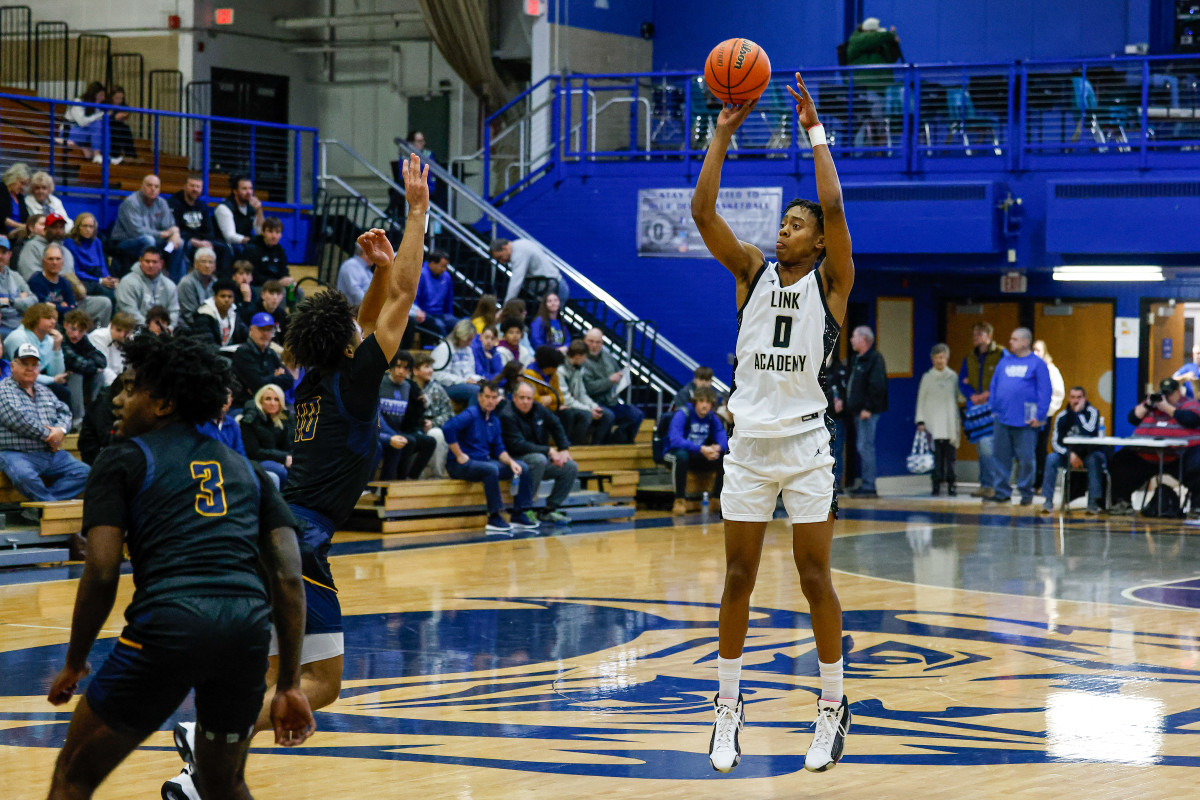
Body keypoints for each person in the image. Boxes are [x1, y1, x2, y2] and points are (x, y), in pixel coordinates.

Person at [172, 154, 424, 777]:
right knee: (322, 683)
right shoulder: (355, 383)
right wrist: (416, 212)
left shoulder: (313, 379)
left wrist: (380, 269)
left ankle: (202, 778)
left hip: (265, 526)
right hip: (300, 538)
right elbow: (400, 303)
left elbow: (366, 317)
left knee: (267, 675)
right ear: (347, 348)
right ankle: (205, 732)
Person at [43, 334, 313, 800]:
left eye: (131, 389)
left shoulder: (121, 459)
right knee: (222, 783)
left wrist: (74, 661)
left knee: (74, 774)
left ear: (164, 403)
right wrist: (288, 682)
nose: (120, 401)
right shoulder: (249, 469)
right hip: (246, 634)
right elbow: (288, 578)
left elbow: (103, 570)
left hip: (169, 625)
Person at [690, 73, 854, 773]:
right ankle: (728, 707)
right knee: (737, 578)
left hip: (807, 447)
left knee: (815, 577)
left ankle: (831, 705)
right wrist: (721, 135)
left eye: (796, 224)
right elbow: (702, 214)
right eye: (783, 223)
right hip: (750, 447)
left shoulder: (832, 282)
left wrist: (815, 131)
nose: (783, 230)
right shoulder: (751, 272)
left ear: (817, 243)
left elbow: (837, 204)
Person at [443, 381, 539, 534]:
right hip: (460, 464)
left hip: (483, 462)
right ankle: (494, 517)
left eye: (494, 397)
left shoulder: (494, 420)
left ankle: (519, 513)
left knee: (523, 468)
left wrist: (511, 462)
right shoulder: (471, 414)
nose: (490, 401)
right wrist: (459, 454)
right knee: (491, 469)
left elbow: (499, 449)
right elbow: (448, 428)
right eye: (487, 397)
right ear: (480, 397)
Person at [0, 341, 89, 502]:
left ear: (39, 368)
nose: (30, 368)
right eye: (25, 363)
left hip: (49, 453)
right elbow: (20, 421)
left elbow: (64, 411)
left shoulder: (45, 390)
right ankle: (50, 506)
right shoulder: (4, 390)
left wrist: (61, 430)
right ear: (13, 366)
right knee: (24, 476)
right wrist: (52, 435)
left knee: (85, 473)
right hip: (16, 453)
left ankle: (41, 507)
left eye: (34, 364)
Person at [1107, 378, 1200, 515]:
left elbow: (1191, 419)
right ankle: (1122, 502)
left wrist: (1167, 408)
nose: (1166, 397)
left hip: (1179, 454)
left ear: (1178, 392)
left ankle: (1197, 506)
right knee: (1121, 460)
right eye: (1164, 393)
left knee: (1198, 463)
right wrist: (1147, 404)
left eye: (1170, 394)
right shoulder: (1153, 404)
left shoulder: (1188, 403)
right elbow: (1132, 418)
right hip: (1148, 454)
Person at [986, 327, 1051, 506]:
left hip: (1026, 421)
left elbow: (1045, 391)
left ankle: (1026, 492)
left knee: (1027, 459)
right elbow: (995, 385)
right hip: (1002, 418)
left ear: (1025, 342)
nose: (1010, 342)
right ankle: (1001, 491)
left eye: (1014, 339)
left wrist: (1040, 415)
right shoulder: (1004, 362)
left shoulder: (1037, 364)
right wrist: (994, 407)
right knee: (1000, 456)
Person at [500, 380, 577, 525]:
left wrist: (564, 449)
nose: (525, 402)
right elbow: (518, 445)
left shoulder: (538, 409)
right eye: (522, 398)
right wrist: (548, 450)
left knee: (570, 467)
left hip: (538, 457)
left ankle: (549, 509)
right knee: (538, 459)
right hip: (514, 459)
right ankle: (524, 509)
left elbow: (556, 424)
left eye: (529, 398)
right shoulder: (507, 415)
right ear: (514, 398)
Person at [1041, 386, 1104, 514]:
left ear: (1084, 399)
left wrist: (1079, 414)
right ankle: (1047, 500)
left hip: (1088, 453)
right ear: (1069, 398)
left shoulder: (1092, 412)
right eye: (1073, 397)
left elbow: (1090, 433)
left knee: (1094, 459)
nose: (1076, 401)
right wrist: (1069, 455)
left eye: (1079, 397)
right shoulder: (1061, 416)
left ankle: (1093, 503)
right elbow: (1055, 442)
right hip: (1067, 455)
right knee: (1051, 458)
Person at [665, 385, 728, 516]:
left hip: (698, 453)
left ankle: (716, 499)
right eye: (702, 401)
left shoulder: (711, 417)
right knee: (681, 457)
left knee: (724, 457)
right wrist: (701, 449)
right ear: (695, 402)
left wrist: (717, 448)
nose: (705, 405)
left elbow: (723, 436)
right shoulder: (683, 414)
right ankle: (680, 499)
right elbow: (676, 440)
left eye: (708, 402)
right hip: (673, 452)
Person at [960, 321, 1005, 498]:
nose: (975, 338)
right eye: (974, 335)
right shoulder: (969, 357)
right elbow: (962, 380)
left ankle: (994, 484)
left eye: (979, 334)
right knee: (981, 447)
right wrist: (971, 394)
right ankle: (985, 484)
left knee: (988, 446)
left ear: (989, 336)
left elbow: (1005, 378)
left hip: (993, 408)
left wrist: (989, 393)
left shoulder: (1001, 354)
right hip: (976, 408)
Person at [110, 175, 185, 278]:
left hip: (156, 243)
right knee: (148, 240)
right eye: (149, 185)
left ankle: (173, 284)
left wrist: (175, 234)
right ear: (142, 186)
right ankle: (148, 278)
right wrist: (163, 234)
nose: (153, 189)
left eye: (156, 186)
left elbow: (170, 226)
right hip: (127, 244)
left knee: (178, 244)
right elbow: (135, 232)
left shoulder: (161, 203)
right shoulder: (131, 202)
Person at [377, 351, 436, 481]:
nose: (401, 371)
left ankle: (410, 478)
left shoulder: (408, 387)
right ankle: (393, 482)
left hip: (399, 430)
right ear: (391, 367)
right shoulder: (380, 383)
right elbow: (375, 413)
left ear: (410, 371)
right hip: (380, 431)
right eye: (398, 366)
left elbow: (413, 414)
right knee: (407, 442)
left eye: (405, 368)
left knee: (429, 441)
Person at [916, 343, 965, 496]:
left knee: (951, 457)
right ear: (932, 359)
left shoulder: (953, 377)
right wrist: (920, 420)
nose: (939, 361)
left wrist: (967, 387)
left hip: (949, 422)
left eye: (942, 357)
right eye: (937, 358)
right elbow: (921, 399)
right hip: (933, 423)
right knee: (936, 457)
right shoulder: (927, 377)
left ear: (947, 358)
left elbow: (960, 397)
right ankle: (935, 484)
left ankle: (952, 484)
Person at [581, 327, 644, 444]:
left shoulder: (608, 356)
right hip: (593, 402)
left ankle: (618, 443)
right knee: (608, 415)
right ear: (584, 341)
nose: (594, 345)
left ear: (602, 343)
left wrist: (622, 378)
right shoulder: (581, 359)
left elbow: (617, 373)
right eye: (591, 341)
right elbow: (589, 387)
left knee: (636, 414)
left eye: (598, 342)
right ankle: (600, 446)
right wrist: (609, 381)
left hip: (612, 401)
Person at [844, 325, 887, 497]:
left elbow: (878, 385)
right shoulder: (856, 359)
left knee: (865, 447)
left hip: (866, 413)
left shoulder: (875, 359)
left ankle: (869, 485)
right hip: (855, 412)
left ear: (863, 339)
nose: (851, 340)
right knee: (861, 446)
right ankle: (865, 483)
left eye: (854, 336)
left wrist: (868, 408)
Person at [3, 303, 69, 408]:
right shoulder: (18, 337)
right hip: (15, 381)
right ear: (34, 318)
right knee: (61, 392)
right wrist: (52, 380)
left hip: (35, 378)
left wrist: (57, 347)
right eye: (48, 318)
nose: (53, 321)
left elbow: (56, 373)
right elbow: (21, 372)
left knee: (64, 387)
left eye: (54, 318)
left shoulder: (50, 340)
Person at [523, 345, 591, 446]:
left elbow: (560, 398)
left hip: (551, 408)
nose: (556, 369)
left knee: (571, 414)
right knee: (551, 416)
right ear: (547, 366)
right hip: (535, 410)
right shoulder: (530, 374)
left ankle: (569, 445)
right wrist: (552, 399)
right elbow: (535, 400)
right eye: (554, 367)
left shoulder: (553, 375)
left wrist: (550, 398)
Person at [169, 174, 231, 275]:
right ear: (185, 186)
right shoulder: (174, 203)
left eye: (198, 187)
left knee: (224, 248)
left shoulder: (202, 205)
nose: (195, 189)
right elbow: (174, 228)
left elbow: (209, 230)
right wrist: (195, 241)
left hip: (201, 240)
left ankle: (220, 281)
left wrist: (207, 242)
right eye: (192, 186)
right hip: (184, 240)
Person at [561, 339, 615, 445]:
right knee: (586, 416)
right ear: (578, 356)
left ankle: (596, 447)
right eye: (585, 357)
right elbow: (566, 399)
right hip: (564, 405)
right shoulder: (560, 370)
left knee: (607, 415)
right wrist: (589, 410)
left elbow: (582, 393)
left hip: (576, 403)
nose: (586, 360)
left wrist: (594, 406)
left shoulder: (579, 369)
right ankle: (575, 447)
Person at [241, 383, 294, 489]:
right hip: (258, 461)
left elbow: (292, 444)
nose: (272, 403)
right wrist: (283, 458)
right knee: (280, 471)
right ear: (260, 401)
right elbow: (254, 452)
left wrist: (289, 458)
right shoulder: (250, 421)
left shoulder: (286, 419)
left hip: (283, 459)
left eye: (276, 399)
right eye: (268, 399)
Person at [232, 312, 293, 405]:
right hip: (246, 404)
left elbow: (289, 380)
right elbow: (257, 384)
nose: (265, 334)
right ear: (251, 330)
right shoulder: (243, 353)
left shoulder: (271, 353)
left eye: (269, 330)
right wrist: (275, 376)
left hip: (270, 405)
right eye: (261, 329)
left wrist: (265, 380)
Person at [61, 309, 107, 427]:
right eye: (73, 329)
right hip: (60, 377)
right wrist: (93, 366)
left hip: (82, 374)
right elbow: (73, 361)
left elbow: (101, 360)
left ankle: (94, 413)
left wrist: (92, 366)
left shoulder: (83, 340)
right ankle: (78, 419)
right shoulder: (61, 338)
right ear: (65, 325)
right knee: (76, 375)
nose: (76, 335)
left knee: (99, 375)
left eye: (81, 331)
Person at [115, 246, 179, 328]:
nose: (150, 265)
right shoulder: (127, 282)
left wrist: (169, 327)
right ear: (140, 261)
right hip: (131, 330)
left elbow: (174, 311)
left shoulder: (170, 285)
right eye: (147, 261)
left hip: (163, 331)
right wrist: (150, 327)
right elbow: (129, 312)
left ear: (161, 264)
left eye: (154, 262)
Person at [492, 237, 569, 303]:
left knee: (548, 319)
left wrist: (507, 305)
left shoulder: (519, 251)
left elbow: (516, 280)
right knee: (546, 319)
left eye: (500, 257)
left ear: (505, 248)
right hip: (553, 286)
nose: (501, 261)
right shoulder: (521, 244)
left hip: (554, 288)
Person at [63, 213, 119, 303]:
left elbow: (102, 264)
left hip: (97, 275)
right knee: (110, 295)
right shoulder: (69, 243)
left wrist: (107, 277)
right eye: (84, 226)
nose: (88, 229)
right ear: (78, 227)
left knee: (118, 290)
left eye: (91, 226)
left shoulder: (96, 241)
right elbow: (75, 271)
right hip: (82, 279)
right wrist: (100, 280)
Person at [1032, 339, 1066, 486]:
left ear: (1044, 352)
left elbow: (1058, 394)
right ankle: (1029, 481)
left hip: (1044, 415)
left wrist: (1046, 411)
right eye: (1033, 349)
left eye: (1038, 350)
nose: (1035, 353)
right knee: (1027, 449)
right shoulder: (1029, 368)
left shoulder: (1051, 370)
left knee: (1040, 449)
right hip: (1028, 416)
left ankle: (1039, 483)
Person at [414, 351, 452, 478]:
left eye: (431, 367)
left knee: (437, 434)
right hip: (412, 427)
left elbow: (449, 414)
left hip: (432, 427)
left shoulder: (438, 389)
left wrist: (433, 423)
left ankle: (436, 475)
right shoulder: (407, 387)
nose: (431, 371)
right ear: (415, 370)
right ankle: (413, 476)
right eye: (426, 367)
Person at [432, 318, 483, 405]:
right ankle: (471, 417)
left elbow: (470, 372)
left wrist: (478, 380)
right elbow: (437, 375)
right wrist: (463, 380)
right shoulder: (444, 348)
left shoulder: (468, 349)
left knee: (489, 390)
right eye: (468, 339)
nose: (470, 343)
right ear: (460, 336)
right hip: (446, 386)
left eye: (471, 339)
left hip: (463, 384)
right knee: (476, 391)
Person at [189, 278, 248, 349]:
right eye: (223, 296)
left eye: (230, 297)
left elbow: (245, 334)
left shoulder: (234, 312)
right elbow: (205, 345)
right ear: (215, 297)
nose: (226, 300)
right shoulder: (204, 315)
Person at [214, 176, 264, 258]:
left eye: (250, 188)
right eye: (244, 189)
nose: (249, 192)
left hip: (245, 242)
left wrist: (259, 210)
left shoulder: (251, 207)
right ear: (235, 191)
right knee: (245, 249)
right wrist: (251, 241)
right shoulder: (224, 208)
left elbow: (260, 232)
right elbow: (229, 236)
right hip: (225, 244)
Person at [245, 217, 296, 292]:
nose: (274, 236)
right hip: (257, 286)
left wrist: (288, 280)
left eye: (277, 232)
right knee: (282, 293)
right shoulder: (252, 248)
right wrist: (277, 283)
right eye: (270, 232)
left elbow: (283, 271)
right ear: (263, 232)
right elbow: (254, 276)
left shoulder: (280, 250)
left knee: (297, 290)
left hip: (276, 284)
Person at [414, 250, 456, 335]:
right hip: (424, 314)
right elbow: (414, 297)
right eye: (442, 266)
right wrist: (416, 312)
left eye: (446, 266)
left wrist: (450, 315)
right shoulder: (421, 274)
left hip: (441, 314)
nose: (444, 269)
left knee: (458, 325)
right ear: (432, 263)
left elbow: (449, 300)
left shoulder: (446, 276)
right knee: (439, 325)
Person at [88, 311, 136, 386]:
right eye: (119, 330)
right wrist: (120, 386)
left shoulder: (131, 341)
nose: (122, 335)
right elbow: (103, 368)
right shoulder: (98, 337)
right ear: (111, 326)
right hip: (101, 382)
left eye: (126, 332)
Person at [64, 81, 108, 161]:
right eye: (101, 95)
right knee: (97, 124)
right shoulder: (78, 102)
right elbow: (82, 122)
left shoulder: (96, 108)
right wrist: (99, 115)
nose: (103, 98)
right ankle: (97, 154)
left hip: (84, 134)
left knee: (103, 127)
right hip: (69, 131)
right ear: (94, 94)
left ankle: (105, 154)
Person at [0, 234, 33, 338]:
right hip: (3, 327)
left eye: (3, 252)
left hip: (20, 325)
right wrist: (20, 300)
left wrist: (10, 301)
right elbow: (4, 311)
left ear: (9, 255)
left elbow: (33, 300)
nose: (0, 256)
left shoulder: (15, 276)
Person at [177, 247, 218, 327]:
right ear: (195, 264)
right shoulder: (186, 283)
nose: (207, 265)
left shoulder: (216, 283)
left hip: (212, 325)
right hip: (189, 327)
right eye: (203, 261)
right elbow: (188, 315)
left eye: (210, 262)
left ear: (215, 266)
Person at [105, 84, 139, 163]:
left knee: (125, 129)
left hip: (119, 125)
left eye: (121, 98)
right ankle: (115, 155)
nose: (119, 100)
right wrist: (114, 117)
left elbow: (127, 112)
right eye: (117, 98)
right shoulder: (106, 104)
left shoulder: (123, 105)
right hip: (108, 125)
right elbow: (104, 116)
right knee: (117, 129)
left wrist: (124, 115)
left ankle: (131, 155)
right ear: (112, 97)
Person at [3, 162, 29, 233]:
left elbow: (25, 217)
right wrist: (20, 226)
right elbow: (2, 218)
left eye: (25, 185)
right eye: (21, 183)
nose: (23, 187)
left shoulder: (20, 197)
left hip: (18, 234)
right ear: (13, 178)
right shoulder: (2, 190)